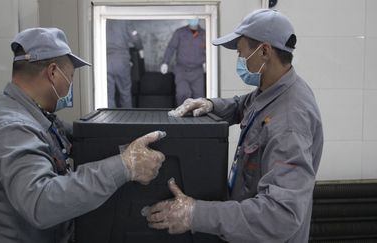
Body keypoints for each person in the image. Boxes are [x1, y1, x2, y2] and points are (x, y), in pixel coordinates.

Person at [0, 27, 165, 243]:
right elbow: (41, 202)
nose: (69, 86)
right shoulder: (11, 128)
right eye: (69, 77)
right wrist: (125, 166)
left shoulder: (36, 116)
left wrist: (129, 148)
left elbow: (77, 140)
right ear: (52, 73)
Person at [145, 9, 323, 243]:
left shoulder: (289, 122)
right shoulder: (275, 91)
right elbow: (244, 105)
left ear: (265, 51)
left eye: (241, 52)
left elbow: (281, 216)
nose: (239, 60)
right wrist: (210, 104)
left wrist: (195, 213)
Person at [160, 18, 206, 106]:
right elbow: (171, 47)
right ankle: (182, 118)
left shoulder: (204, 33)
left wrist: (208, 62)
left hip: (198, 70)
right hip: (182, 70)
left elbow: (209, 49)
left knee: (199, 98)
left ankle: (199, 119)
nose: (193, 20)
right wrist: (165, 62)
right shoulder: (180, 32)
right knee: (182, 95)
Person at [106, 20, 144, 108]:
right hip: (121, 60)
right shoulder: (124, 20)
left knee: (108, 95)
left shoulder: (104, 20)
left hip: (105, 60)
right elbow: (135, 37)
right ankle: (127, 118)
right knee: (125, 92)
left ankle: (109, 119)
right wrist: (140, 48)